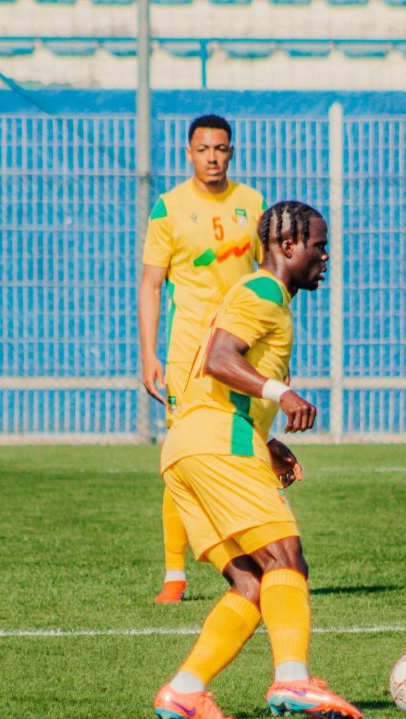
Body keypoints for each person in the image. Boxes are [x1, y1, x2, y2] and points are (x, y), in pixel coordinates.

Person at [153, 201, 363, 719]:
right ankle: (292, 678)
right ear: (288, 246)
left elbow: (217, 378)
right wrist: (282, 393)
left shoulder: (260, 295)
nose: (325, 256)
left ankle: (184, 690)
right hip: (219, 443)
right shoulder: (264, 291)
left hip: (188, 446)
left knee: (250, 580)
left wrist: (267, 441)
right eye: (318, 246)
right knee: (286, 558)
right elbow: (219, 359)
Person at [138, 114, 265, 604]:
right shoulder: (169, 208)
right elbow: (152, 284)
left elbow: (268, 276)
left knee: (249, 453)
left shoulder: (253, 203)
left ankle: (257, 558)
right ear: (188, 153)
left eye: (221, 148)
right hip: (188, 353)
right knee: (183, 456)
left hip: (242, 348)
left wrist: (275, 350)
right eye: (204, 149)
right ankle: (175, 574)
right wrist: (149, 354)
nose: (213, 157)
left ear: (232, 152)